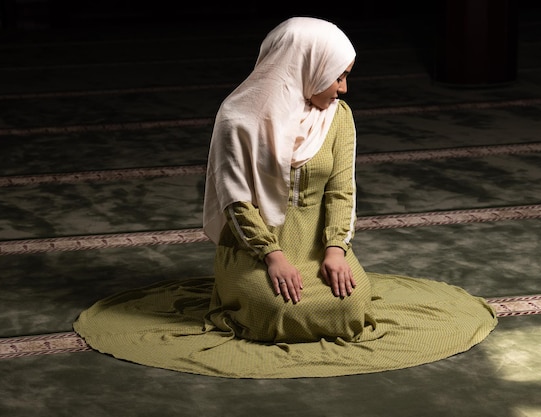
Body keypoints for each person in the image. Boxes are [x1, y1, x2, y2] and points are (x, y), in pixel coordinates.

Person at [74, 16, 497, 378]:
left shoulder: (338, 118)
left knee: (349, 306)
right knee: (276, 311)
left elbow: (341, 189)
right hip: (252, 245)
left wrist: (334, 249)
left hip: (317, 239)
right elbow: (236, 202)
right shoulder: (238, 120)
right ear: (305, 67)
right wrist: (272, 256)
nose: (344, 88)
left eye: (346, 75)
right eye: (338, 76)